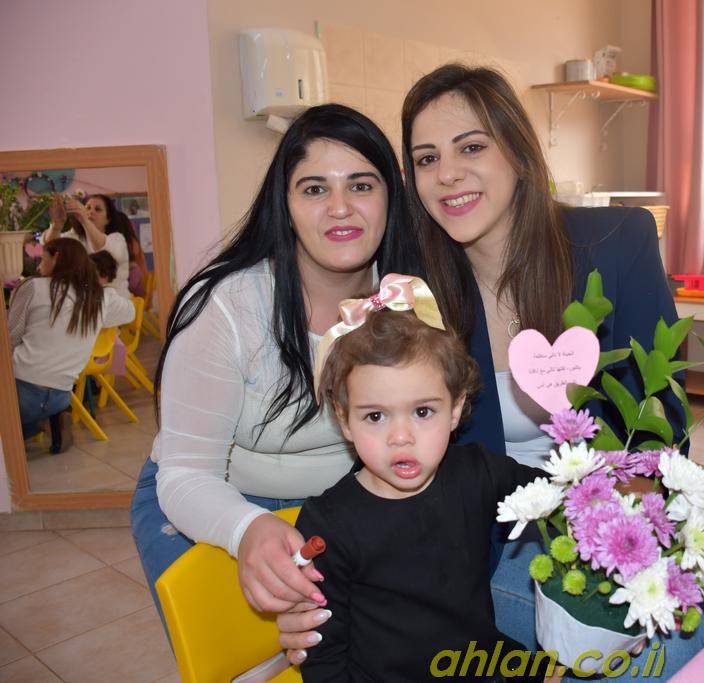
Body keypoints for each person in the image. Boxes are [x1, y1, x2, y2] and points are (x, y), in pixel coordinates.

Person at [279, 64, 704, 680]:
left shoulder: (615, 243)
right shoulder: (417, 292)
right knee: (652, 656)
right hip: (503, 547)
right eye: (427, 158)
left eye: (471, 147)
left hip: (627, 509)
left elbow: (662, 417)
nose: (448, 173)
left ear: (518, 153)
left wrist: (624, 511)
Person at [129, 103, 418, 630]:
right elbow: (187, 473)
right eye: (314, 189)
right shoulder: (227, 304)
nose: (339, 208)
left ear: (390, 199)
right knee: (246, 662)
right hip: (212, 503)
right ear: (284, 206)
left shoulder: (412, 299)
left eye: (360, 185)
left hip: (345, 504)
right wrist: (247, 529)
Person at [298, 286, 548, 681]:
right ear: (345, 420)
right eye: (375, 416)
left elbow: (555, 494)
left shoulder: (476, 472)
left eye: (422, 412)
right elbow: (323, 655)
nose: (401, 437)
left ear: (456, 408)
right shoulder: (329, 524)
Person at [8, 238, 134, 454]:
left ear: (56, 258)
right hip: (62, 395)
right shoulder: (99, 297)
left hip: (21, 392)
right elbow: (130, 312)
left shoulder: (33, 287)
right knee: (20, 422)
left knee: (12, 424)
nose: (39, 266)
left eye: (43, 259)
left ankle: (38, 424)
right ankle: (45, 421)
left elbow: (10, 338)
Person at [44, 193, 135, 299]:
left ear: (108, 219)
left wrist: (85, 220)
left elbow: (102, 248)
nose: (91, 212)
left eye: (98, 209)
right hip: (83, 301)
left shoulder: (117, 239)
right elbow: (52, 246)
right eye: (88, 208)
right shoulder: (75, 236)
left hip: (114, 301)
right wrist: (56, 225)